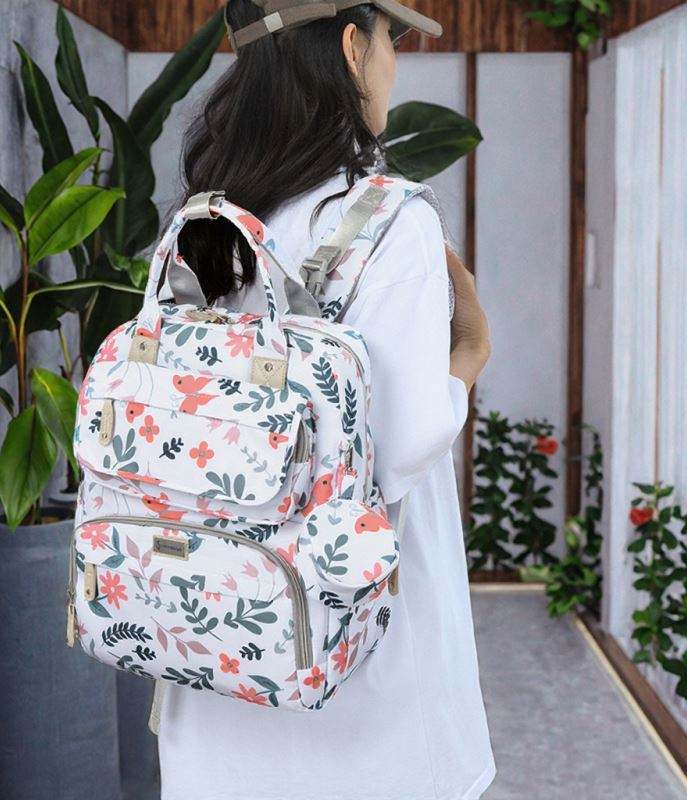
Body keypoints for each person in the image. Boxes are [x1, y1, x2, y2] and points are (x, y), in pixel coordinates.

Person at [156, 2, 495, 798]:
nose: (393, 63)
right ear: (350, 45)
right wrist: (468, 360)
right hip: (351, 686)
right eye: (389, 39)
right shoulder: (389, 221)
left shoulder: (202, 223)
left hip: (211, 655)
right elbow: (402, 443)